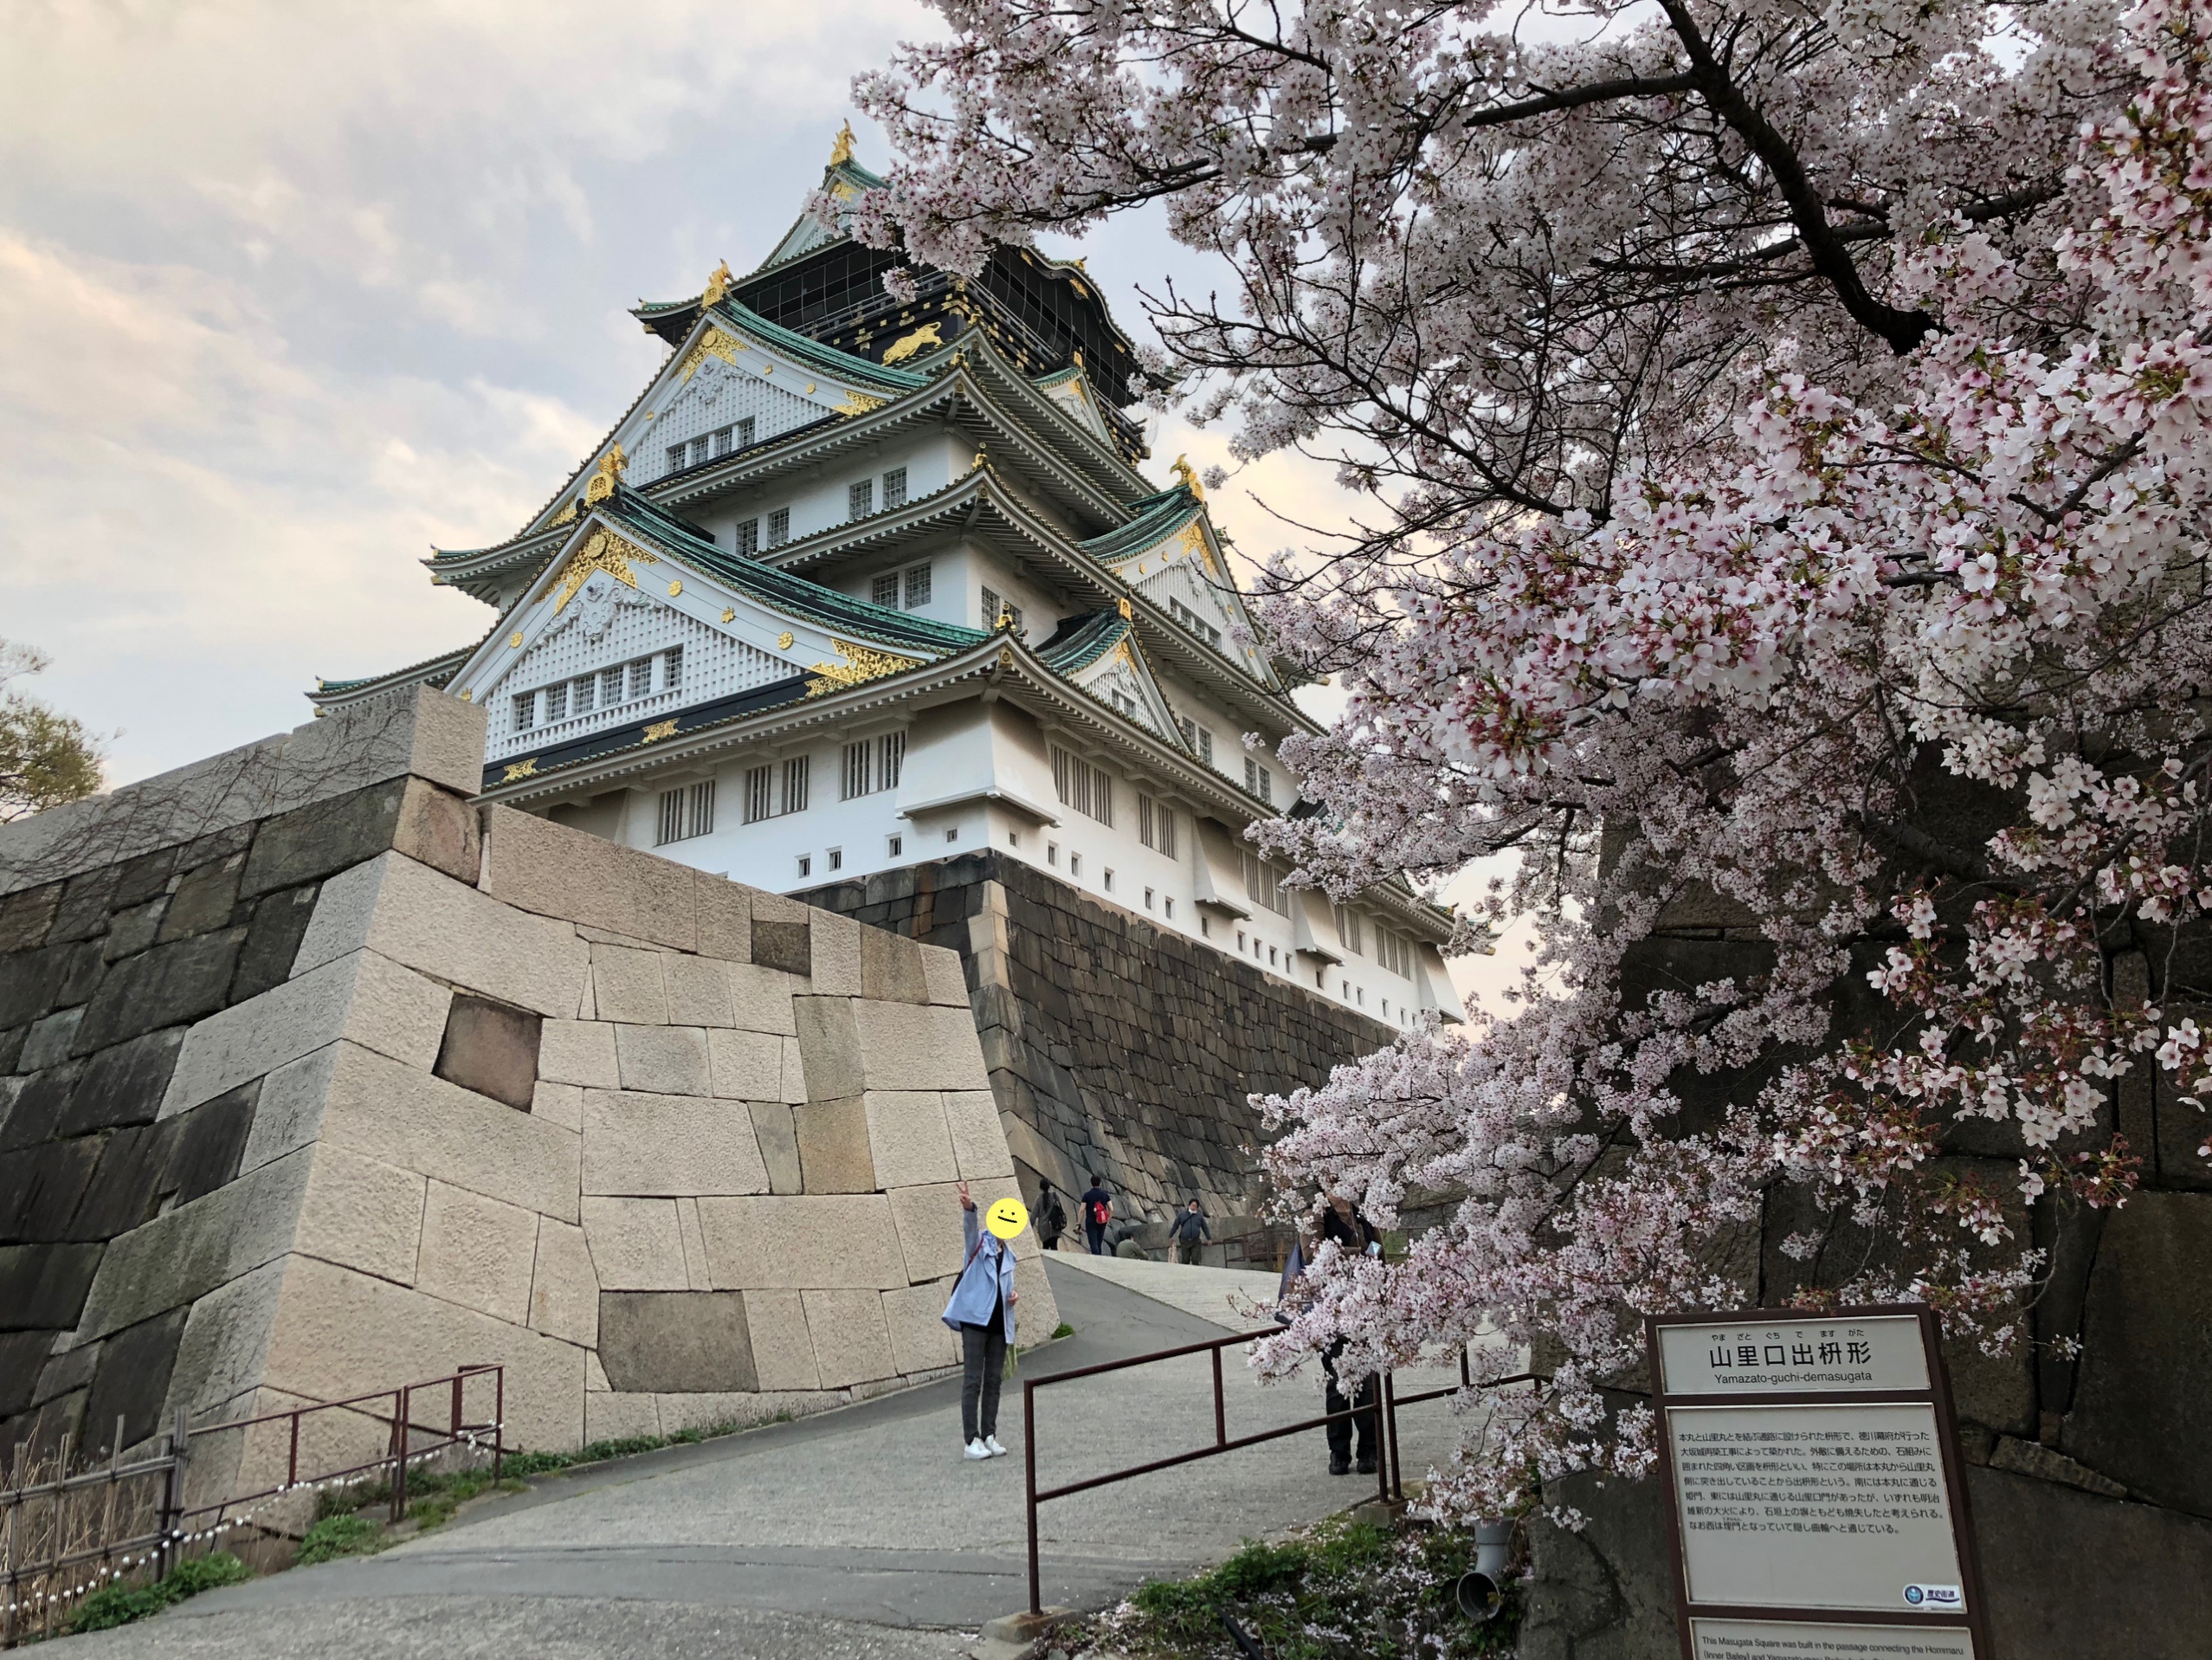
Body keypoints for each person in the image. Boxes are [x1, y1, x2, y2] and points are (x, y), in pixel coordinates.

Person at [1276, 1193, 1383, 1477]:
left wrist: (1369, 1254)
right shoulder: (1316, 1214)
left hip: (1365, 1308)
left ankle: (1369, 1451)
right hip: (1330, 1312)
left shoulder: (1361, 1213)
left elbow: (1378, 1248)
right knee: (1337, 1384)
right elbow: (1313, 1254)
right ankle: (1339, 1452)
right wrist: (1360, 1254)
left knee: (1367, 1385)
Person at [941, 1179, 1019, 1461]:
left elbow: (1006, 1288)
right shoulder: (978, 1244)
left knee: (994, 1380)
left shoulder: (1009, 1256)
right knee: (973, 1380)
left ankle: (989, 1435)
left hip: (998, 1323)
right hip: (975, 1321)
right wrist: (969, 1208)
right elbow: (969, 1229)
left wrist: (1012, 1296)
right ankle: (971, 1440)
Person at [1169, 1198, 1211, 1265]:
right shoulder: (1182, 1215)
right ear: (1189, 1205)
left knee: (1195, 1259)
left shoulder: (1199, 1216)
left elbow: (1205, 1227)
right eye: (1192, 1205)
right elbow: (1175, 1225)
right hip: (1184, 1241)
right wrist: (1171, 1236)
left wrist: (1209, 1238)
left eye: (1195, 1206)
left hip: (1195, 1241)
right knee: (1185, 1260)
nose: (1193, 1207)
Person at [1080, 1175, 1112, 1256]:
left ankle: (1097, 1259)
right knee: (1099, 1243)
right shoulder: (1105, 1195)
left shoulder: (1087, 1195)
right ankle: (1099, 1259)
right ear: (1100, 1183)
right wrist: (1108, 1219)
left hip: (1091, 1222)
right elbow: (1111, 1209)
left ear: (1091, 1183)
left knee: (1093, 1243)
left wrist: (1078, 1223)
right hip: (1102, 1221)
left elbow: (1082, 1210)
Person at [1037, 1183, 1067, 1252]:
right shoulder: (1055, 1195)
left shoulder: (1039, 1199)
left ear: (1041, 1188)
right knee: (1054, 1246)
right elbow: (1061, 1209)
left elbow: (1034, 1214)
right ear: (1049, 1187)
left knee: (1045, 1247)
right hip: (1055, 1226)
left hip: (1044, 1229)